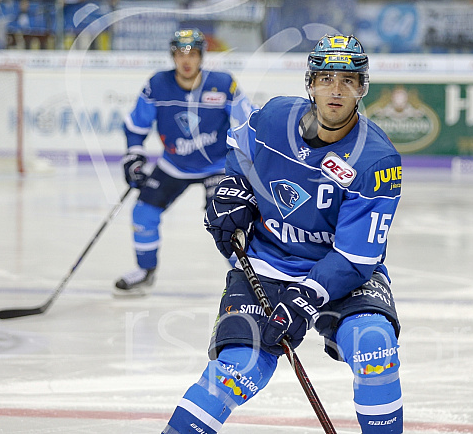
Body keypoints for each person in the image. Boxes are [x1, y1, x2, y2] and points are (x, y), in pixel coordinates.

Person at [161, 34, 403, 433]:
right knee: (235, 373)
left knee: (375, 348)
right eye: (326, 78)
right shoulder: (274, 118)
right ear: (310, 83)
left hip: (341, 275)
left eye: (348, 80)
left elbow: (356, 257)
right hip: (266, 264)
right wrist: (232, 191)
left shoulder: (377, 160)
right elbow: (240, 151)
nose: (336, 90)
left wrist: (306, 298)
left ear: (362, 88)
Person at [115, 28, 255, 296]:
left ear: (202, 55)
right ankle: (145, 271)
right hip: (173, 164)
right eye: (180, 53)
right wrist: (133, 156)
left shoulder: (224, 84)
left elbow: (248, 124)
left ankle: (249, 276)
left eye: (193, 53)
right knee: (143, 213)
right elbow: (135, 126)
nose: (186, 59)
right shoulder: (157, 84)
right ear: (173, 56)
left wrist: (247, 164)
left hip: (217, 165)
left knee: (228, 220)